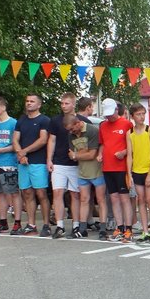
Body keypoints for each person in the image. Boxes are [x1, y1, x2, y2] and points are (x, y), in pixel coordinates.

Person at [47, 92, 86, 239]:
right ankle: (60, 225)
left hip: (76, 163)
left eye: (67, 103)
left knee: (75, 194)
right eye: (62, 103)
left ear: (74, 104)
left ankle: (76, 225)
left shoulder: (82, 120)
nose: (63, 106)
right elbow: (51, 140)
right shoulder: (55, 120)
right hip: (59, 162)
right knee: (57, 193)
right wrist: (49, 159)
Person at [64, 113, 108, 240]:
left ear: (78, 123)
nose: (71, 132)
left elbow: (92, 154)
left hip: (97, 171)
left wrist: (77, 155)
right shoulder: (71, 135)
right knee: (84, 199)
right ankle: (82, 229)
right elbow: (71, 154)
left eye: (72, 129)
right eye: (69, 130)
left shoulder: (92, 130)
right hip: (82, 172)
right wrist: (82, 153)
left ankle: (103, 229)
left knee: (101, 199)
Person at [13, 92, 51, 236]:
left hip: (39, 162)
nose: (29, 103)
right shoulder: (21, 120)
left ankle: (46, 225)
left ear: (39, 104)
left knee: (41, 193)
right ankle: (31, 224)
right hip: (23, 163)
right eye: (27, 101)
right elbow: (15, 139)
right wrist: (20, 154)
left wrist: (24, 151)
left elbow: (43, 140)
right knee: (27, 193)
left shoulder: (44, 120)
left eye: (32, 101)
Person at [0, 97, 24, 234]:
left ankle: (17, 222)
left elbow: (16, 145)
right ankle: (3, 222)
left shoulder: (13, 123)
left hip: (9, 163)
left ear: (3, 108)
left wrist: (0, 150)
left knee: (14, 193)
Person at [98, 98, 134, 243]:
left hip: (121, 167)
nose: (109, 117)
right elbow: (102, 144)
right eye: (106, 114)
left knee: (124, 198)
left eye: (111, 114)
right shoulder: (103, 125)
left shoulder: (126, 124)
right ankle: (119, 228)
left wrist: (124, 152)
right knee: (113, 198)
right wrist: (100, 154)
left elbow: (133, 144)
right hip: (107, 167)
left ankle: (128, 229)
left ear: (117, 110)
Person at [126, 102, 150, 242]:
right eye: (138, 114)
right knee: (141, 200)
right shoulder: (130, 133)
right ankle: (145, 230)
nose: (141, 117)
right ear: (132, 116)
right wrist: (129, 174)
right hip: (136, 170)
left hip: (149, 169)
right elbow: (129, 155)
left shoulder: (149, 130)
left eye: (143, 114)